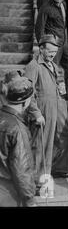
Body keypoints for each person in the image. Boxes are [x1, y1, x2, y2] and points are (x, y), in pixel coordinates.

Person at [24, 34, 68, 189]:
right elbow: (27, 92)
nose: (52, 54)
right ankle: (35, 184)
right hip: (42, 113)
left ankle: (43, 180)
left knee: (49, 148)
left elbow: (60, 90)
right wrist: (36, 113)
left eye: (55, 52)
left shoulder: (54, 66)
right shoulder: (33, 66)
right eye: (49, 51)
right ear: (41, 48)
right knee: (39, 148)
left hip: (55, 111)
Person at [34, 0, 68, 101]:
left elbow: (67, 25)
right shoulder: (45, 8)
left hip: (64, 42)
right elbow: (39, 28)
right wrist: (43, 46)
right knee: (51, 69)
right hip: (51, 43)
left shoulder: (63, 5)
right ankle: (51, 95)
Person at [0, 77, 37, 207]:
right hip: (8, 194)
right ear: (26, 102)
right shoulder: (18, 129)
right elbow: (22, 169)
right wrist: (30, 199)